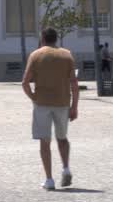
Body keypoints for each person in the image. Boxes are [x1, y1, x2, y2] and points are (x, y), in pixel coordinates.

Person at [21, 27, 79, 190]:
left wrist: (34, 97)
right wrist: (74, 106)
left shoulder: (36, 55)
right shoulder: (67, 54)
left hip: (42, 103)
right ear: (56, 39)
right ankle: (66, 168)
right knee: (62, 138)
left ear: (43, 38)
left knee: (44, 142)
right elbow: (74, 84)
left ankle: (49, 179)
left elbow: (25, 83)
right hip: (62, 102)